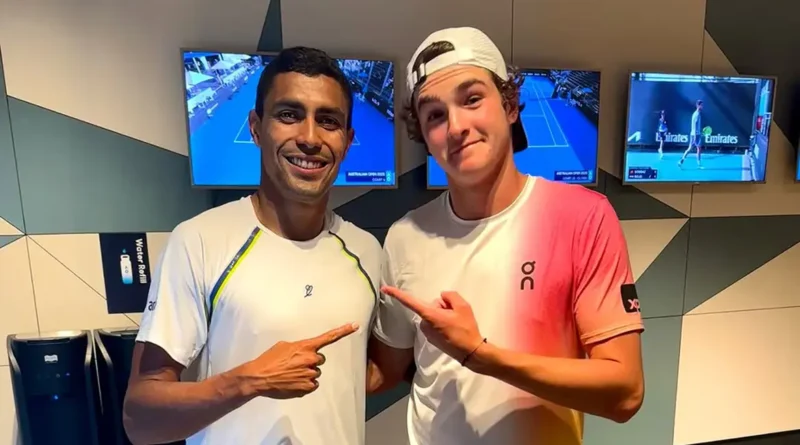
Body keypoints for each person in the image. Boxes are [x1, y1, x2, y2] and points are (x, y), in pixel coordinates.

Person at [368, 27, 645, 445]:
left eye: (471, 99)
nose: (456, 126)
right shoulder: (405, 236)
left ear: (511, 105)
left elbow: (625, 393)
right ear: (423, 135)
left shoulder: (583, 217)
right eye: (435, 115)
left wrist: (481, 355)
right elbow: (386, 370)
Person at [123, 46, 382, 445]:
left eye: (328, 121)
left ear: (347, 141)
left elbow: (361, 376)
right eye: (289, 115)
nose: (309, 137)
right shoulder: (198, 241)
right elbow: (140, 420)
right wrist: (250, 380)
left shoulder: (367, 252)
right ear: (256, 128)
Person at [679, 99, 703, 167]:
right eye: (701, 105)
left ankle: (699, 163)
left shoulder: (698, 114)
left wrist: (699, 132)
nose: (702, 106)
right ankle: (682, 160)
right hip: (694, 135)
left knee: (699, 148)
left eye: (702, 105)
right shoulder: (696, 114)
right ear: (697, 105)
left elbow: (697, 125)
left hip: (697, 134)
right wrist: (695, 136)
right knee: (690, 149)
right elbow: (694, 125)